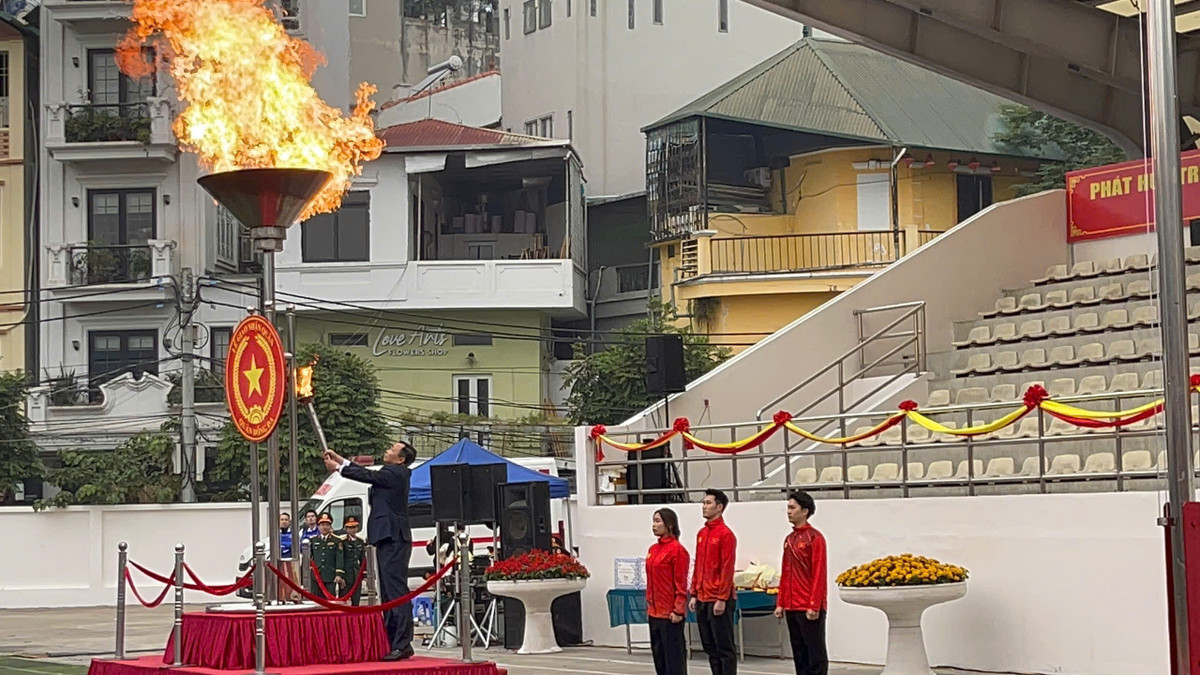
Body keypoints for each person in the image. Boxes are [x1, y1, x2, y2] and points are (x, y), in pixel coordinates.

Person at [324, 442, 417, 661]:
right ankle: (393, 640)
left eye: (391, 450)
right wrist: (340, 459)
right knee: (388, 592)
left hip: (394, 536)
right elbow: (369, 474)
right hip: (387, 537)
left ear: (401, 458)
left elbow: (368, 475)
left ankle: (402, 643)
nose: (387, 450)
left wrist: (339, 468)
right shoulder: (392, 472)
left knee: (396, 591)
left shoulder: (396, 473)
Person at [774, 491, 828, 675]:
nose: (788, 511)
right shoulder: (789, 539)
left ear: (804, 511)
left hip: (808, 605)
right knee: (799, 652)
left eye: (792, 507)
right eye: (788, 507)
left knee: (815, 651)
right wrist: (781, 602)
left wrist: (814, 604)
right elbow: (785, 573)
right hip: (791, 604)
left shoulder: (815, 538)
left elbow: (819, 573)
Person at [690, 488, 738, 675]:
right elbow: (698, 565)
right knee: (709, 646)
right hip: (702, 596)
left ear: (719, 507)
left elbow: (727, 568)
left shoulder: (726, 534)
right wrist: (694, 593)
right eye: (703, 503)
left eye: (708, 503)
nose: (704, 506)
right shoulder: (702, 533)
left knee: (724, 647)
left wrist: (721, 598)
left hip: (718, 597)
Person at [646, 508, 689, 675]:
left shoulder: (677, 550)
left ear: (669, 524)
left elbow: (681, 582)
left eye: (658, 521)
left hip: (670, 614)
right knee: (659, 657)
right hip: (654, 612)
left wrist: (678, 609)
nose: (654, 525)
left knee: (674, 659)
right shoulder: (653, 549)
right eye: (653, 521)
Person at [310, 513, 345, 597]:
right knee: (316, 600)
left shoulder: (336, 541)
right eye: (322, 525)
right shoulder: (313, 541)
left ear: (330, 526)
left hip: (330, 575)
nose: (324, 527)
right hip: (316, 576)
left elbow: (339, 558)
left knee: (330, 599)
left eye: (327, 525)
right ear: (318, 526)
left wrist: (339, 574)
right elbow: (310, 557)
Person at [342, 517, 367, 606]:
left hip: (356, 574)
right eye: (350, 527)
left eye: (354, 527)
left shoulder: (360, 542)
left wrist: (364, 574)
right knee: (343, 600)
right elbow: (341, 559)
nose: (352, 530)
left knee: (356, 600)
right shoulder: (343, 542)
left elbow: (363, 559)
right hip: (346, 574)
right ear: (346, 529)